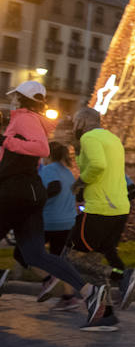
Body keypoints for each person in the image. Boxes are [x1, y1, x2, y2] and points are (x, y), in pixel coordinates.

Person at [0, 82, 108, 328]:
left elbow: (40, 148)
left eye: (16, 96)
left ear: (21, 98)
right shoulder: (29, 120)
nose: (14, 100)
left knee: (34, 254)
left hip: (14, 193)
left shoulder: (25, 118)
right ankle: (90, 292)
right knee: (35, 254)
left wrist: (4, 141)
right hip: (28, 193)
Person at [66, 107, 135, 325]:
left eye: (75, 121)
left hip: (100, 208)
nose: (73, 125)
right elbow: (97, 166)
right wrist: (78, 148)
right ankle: (105, 315)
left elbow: (98, 166)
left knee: (68, 255)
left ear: (83, 122)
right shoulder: (112, 139)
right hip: (119, 208)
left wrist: (80, 182)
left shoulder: (90, 137)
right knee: (95, 256)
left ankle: (121, 275)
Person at [30, 142, 79, 302]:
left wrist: (35, 200)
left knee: (26, 254)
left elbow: (54, 188)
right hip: (67, 222)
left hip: (49, 221)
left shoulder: (49, 170)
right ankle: (68, 297)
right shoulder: (67, 172)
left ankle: (49, 280)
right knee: (59, 260)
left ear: (47, 153)